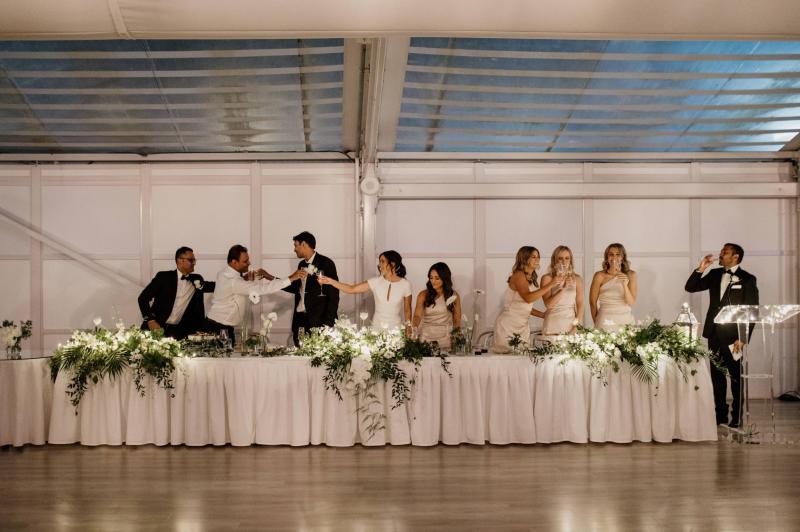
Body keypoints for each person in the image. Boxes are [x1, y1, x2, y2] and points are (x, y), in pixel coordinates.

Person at [685, 243, 759, 428]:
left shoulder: (748, 279)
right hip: (714, 333)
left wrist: (742, 338)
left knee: (736, 378)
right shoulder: (716, 274)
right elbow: (691, 287)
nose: (720, 254)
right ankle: (720, 415)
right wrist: (701, 269)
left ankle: (738, 416)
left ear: (736, 256)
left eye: (724, 252)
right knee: (717, 376)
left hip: (734, 336)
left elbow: (752, 312)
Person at [206, 244, 303, 342]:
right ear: (234, 262)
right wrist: (291, 278)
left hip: (215, 324)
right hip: (219, 328)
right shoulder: (235, 281)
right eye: (245, 261)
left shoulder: (223, 274)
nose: (249, 263)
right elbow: (263, 289)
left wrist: (244, 280)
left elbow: (231, 287)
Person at [319, 250, 412, 330]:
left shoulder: (405, 284)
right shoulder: (375, 281)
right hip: (376, 328)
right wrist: (331, 281)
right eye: (379, 262)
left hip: (396, 329)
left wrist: (408, 328)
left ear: (392, 264)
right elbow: (352, 289)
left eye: (382, 261)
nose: (379, 265)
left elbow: (407, 310)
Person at [137, 246, 215, 340]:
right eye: (191, 260)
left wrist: (235, 277)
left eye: (194, 260)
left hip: (177, 333)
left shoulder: (196, 279)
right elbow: (143, 298)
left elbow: (212, 286)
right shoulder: (164, 277)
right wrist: (150, 320)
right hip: (154, 328)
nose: (194, 263)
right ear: (180, 260)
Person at [491, 246, 553, 353]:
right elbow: (528, 298)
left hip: (522, 327)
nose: (537, 259)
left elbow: (523, 306)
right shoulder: (519, 275)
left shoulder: (531, 278)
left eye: (538, 257)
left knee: (522, 361)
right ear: (524, 258)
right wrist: (551, 284)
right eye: (533, 257)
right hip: (508, 326)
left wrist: (543, 315)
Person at [282, 231, 340, 346]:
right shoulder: (301, 265)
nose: (294, 249)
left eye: (295, 245)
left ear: (304, 244)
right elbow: (295, 288)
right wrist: (272, 279)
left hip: (318, 322)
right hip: (300, 320)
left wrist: (328, 325)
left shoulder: (326, 263)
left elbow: (334, 295)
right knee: (298, 357)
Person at [412, 262, 461, 350]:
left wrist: (456, 338)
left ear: (445, 279)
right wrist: (414, 327)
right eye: (431, 278)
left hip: (445, 338)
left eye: (437, 278)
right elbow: (417, 316)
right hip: (426, 337)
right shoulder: (423, 295)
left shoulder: (454, 296)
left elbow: (456, 320)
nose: (433, 281)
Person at [590, 243, 637, 332]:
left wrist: (624, 285)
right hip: (605, 320)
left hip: (625, 320)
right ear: (607, 257)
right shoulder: (599, 276)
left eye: (618, 254)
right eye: (611, 254)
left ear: (623, 257)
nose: (614, 257)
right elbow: (592, 303)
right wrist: (597, 322)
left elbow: (631, 302)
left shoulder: (631, 275)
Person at [540, 245, 584, 335]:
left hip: (570, 324)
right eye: (560, 258)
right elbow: (548, 305)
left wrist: (576, 326)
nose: (564, 261)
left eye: (567, 258)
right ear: (554, 261)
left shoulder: (577, 279)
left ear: (570, 260)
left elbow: (580, 305)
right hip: (552, 323)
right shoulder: (547, 278)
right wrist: (564, 289)